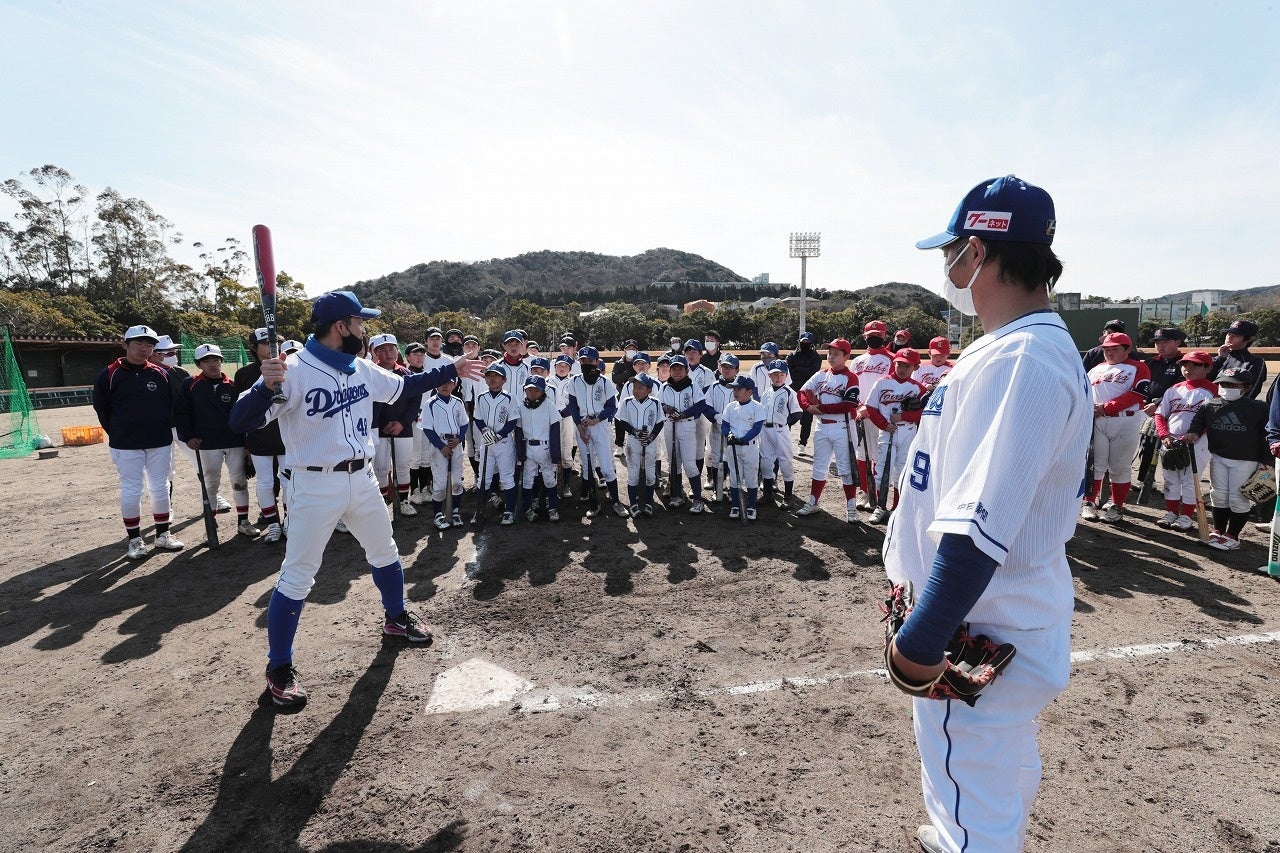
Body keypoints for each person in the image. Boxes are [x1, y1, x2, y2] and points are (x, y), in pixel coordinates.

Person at [884, 175, 1089, 853]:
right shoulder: (1015, 345)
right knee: (995, 767)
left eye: (953, 253)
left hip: (979, 626)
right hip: (998, 611)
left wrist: (921, 642)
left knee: (973, 786)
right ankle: (971, 831)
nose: (948, 268)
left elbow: (977, 526)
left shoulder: (1024, 355)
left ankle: (970, 838)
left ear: (978, 252)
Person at [228, 290, 482, 710]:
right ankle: (278, 668)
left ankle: (396, 618)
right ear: (340, 327)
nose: (363, 330)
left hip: (362, 478)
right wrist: (264, 387)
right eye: (359, 323)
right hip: (312, 485)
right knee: (297, 577)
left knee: (385, 551)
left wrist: (450, 369)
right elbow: (239, 420)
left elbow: (404, 385)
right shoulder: (290, 370)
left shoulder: (359, 367)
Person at [93, 324, 184, 559]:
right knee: (132, 489)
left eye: (149, 345)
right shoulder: (109, 374)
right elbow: (101, 408)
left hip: (159, 441)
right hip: (126, 443)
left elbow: (171, 406)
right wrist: (117, 432)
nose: (144, 349)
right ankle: (135, 539)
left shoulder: (161, 373)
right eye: (138, 343)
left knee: (161, 487)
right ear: (125, 344)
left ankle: (163, 535)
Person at [175, 343, 254, 537]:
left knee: (239, 482)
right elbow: (181, 413)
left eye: (216, 359)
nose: (212, 364)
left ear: (221, 361)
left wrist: (247, 444)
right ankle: (211, 526)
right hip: (206, 443)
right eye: (206, 360)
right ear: (198, 364)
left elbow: (244, 415)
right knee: (211, 484)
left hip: (234, 441)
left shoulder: (233, 385)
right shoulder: (190, 384)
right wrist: (187, 437)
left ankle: (243, 521)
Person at [1188, 368, 1270, 550]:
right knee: (1218, 495)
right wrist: (1193, 433)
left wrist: (1266, 461)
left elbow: (1267, 434)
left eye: (1232, 385)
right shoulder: (1210, 405)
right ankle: (1218, 531)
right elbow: (1197, 422)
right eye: (1223, 384)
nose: (1226, 388)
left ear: (1246, 387)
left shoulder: (1258, 408)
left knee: (1237, 497)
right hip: (1218, 456)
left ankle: (1233, 536)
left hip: (1246, 459)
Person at [1082, 332, 1150, 524]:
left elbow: (1139, 393)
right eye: (1106, 349)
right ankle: (1089, 502)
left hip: (1125, 420)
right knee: (1095, 465)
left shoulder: (1138, 367)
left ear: (1128, 349)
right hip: (1098, 421)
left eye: (1115, 349)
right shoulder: (1095, 369)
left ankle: (1116, 506)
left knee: (1119, 467)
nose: (1109, 352)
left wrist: (1106, 407)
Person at [795, 337, 861, 522]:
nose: (831, 357)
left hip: (843, 427)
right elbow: (802, 392)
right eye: (829, 353)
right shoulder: (821, 374)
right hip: (822, 427)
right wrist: (808, 407)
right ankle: (813, 501)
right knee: (819, 467)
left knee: (846, 469)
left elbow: (848, 404)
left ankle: (851, 508)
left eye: (836, 354)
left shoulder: (851, 377)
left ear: (846, 356)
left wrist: (820, 408)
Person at [1153, 350, 1218, 531]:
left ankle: (1187, 515)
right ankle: (1171, 512)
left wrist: (1197, 433)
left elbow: (1214, 419)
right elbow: (1160, 414)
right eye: (1185, 364)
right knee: (1170, 478)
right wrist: (1164, 434)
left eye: (1195, 365)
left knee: (1190, 479)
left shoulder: (1213, 390)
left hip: (1199, 442)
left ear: (1208, 368)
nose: (1188, 368)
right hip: (1171, 441)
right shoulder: (1174, 389)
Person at [863, 348, 929, 524]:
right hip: (886, 432)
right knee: (882, 469)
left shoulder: (918, 388)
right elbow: (870, 408)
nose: (901, 368)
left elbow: (925, 413)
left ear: (915, 367)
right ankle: (880, 507)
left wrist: (904, 416)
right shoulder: (882, 383)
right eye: (899, 363)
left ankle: (898, 507)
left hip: (908, 432)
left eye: (906, 365)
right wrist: (884, 425)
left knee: (902, 471)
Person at [235, 328, 288, 542]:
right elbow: (240, 412)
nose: (271, 347)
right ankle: (273, 522)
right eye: (265, 343)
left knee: (289, 483)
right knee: (265, 482)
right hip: (259, 439)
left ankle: (290, 521)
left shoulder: (290, 368)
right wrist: (245, 445)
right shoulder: (244, 374)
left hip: (286, 438)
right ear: (254, 348)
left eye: (275, 342)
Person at [564, 346, 628, 517]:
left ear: (597, 362)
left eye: (590, 360)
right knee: (587, 466)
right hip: (582, 425)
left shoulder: (605, 382)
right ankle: (593, 502)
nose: (586, 363)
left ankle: (616, 501)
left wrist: (597, 419)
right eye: (583, 360)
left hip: (599, 425)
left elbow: (612, 407)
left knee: (606, 465)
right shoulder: (574, 381)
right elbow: (572, 406)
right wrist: (579, 426)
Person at [369, 334, 421, 517]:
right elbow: (370, 404)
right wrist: (383, 424)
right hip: (379, 429)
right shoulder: (370, 374)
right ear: (374, 352)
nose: (388, 353)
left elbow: (415, 402)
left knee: (403, 466)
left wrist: (402, 422)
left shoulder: (407, 374)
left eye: (391, 348)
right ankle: (383, 503)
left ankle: (405, 501)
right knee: (381, 468)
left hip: (403, 428)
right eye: (382, 349)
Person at [850, 321, 893, 508]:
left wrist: (872, 407)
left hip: (881, 413)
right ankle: (865, 492)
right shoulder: (857, 360)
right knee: (862, 454)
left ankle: (876, 493)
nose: (875, 337)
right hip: (861, 413)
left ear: (885, 336)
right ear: (865, 336)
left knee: (878, 455)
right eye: (871, 334)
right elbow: (851, 386)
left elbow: (892, 386)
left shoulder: (892, 359)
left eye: (879, 334)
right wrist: (859, 407)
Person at [473, 363, 521, 525]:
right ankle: (479, 510)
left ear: (504, 379)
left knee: (507, 478)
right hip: (486, 443)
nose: (492, 379)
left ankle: (508, 511)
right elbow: (477, 417)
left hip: (504, 443)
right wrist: (484, 430)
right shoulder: (481, 396)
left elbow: (513, 421)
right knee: (483, 480)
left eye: (496, 376)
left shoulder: (509, 397)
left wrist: (499, 435)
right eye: (489, 376)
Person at [658, 355, 705, 511]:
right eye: (674, 369)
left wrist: (684, 414)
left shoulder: (692, 387)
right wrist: (667, 409)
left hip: (686, 426)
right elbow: (659, 404)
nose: (677, 372)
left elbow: (701, 405)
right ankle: (677, 496)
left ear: (686, 370)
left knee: (690, 465)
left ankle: (698, 500)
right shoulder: (664, 387)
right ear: (670, 370)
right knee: (674, 464)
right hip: (669, 425)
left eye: (680, 369)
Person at [421, 374, 469, 529]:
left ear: (454, 385)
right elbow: (427, 428)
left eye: (449, 382)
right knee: (440, 483)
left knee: (457, 481)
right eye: (441, 382)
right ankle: (438, 514)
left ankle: (455, 511)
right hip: (439, 444)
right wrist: (440, 447)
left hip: (455, 442)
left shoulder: (458, 401)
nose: (445, 385)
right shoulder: (430, 403)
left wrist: (460, 438)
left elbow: (464, 423)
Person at [515, 375, 562, 522]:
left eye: (536, 390)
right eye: (529, 389)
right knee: (528, 479)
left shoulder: (548, 405)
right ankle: (528, 508)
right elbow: (518, 431)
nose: (532, 393)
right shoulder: (521, 406)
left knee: (549, 478)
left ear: (542, 391)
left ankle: (553, 507)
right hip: (528, 447)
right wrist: (520, 453)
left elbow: (555, 430)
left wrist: (555, 454)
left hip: (545, 447)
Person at [617, 374, 665, 517]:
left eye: (640, 387)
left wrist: (651, 437)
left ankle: (649, 503)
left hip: (650, 442)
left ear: (649, 390)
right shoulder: (626, 402)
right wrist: (635, 432)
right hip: (633, 441)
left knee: (650, 475)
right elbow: (621, 421)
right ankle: (633, 504)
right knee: (633, 474)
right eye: (634, 387)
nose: (636, 390)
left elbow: (659, 422)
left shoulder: (655, 403)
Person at [720, 375, 765, 521]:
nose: (735, 391)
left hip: (750, 448)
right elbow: (725, 425)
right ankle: (735, 504)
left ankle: (751, 506)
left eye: (739, 389)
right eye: (734, 389)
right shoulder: (730, 406)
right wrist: (729, 435)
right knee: (734, 477)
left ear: (749, 392)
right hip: (733, 448)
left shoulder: (757, 407)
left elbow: (757, 428)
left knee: (751, 477)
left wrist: (742, 439)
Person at [759, 359, 802, 508]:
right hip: (765, 430)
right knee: (765, 461)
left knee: (785, 462)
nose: (778, 377)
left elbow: (797, 414)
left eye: (782, 374)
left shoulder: (790, 393)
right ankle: (767, 494)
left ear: (786, 375)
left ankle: (788, 496)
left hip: (780, 430)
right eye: (775, 374)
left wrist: (784, 424)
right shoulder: (766, 392)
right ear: (769, 375)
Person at [1209, 319, 1267, 400]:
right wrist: (1220, 359)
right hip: (1209, 406)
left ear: (1249, 339)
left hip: (1237, 409)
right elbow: (1204, 382)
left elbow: (1252, 390)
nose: (1230, 337)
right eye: (1229, 333)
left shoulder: (1255, 362)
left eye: (1236, 335)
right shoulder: (1217, 359)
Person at [786, 331, 823, 452]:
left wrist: (798, 369)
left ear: (812, 343)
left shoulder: (816, 357)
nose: (805, 344)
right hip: (793, 391)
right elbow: (790, 372)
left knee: (807, 420)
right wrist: (803, 371)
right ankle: (786, 443)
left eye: (808, 342)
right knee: (788, 418)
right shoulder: (791, 355)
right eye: (803, 342)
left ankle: (802, 444)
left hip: (808, 392)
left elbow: (813, 372)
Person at [1143, 327, 1187, 414]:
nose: (1161, 346)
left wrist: (1157, 403)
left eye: (1166, 342)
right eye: (1157, 343)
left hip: (1173, 409)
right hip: (1146, 407)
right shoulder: (1150, 362)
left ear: (1177, 342)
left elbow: (1181, 388)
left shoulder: (1184, 362)